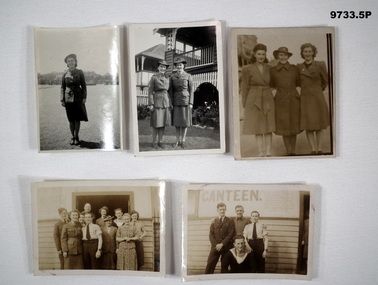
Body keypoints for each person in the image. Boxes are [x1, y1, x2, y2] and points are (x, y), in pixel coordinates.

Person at [241, 43, 275, 157]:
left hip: (267, 96)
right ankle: (261, 152)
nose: (261, 56)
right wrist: (245, 103)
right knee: (258, 126)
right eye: (259, 54)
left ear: (265, 55)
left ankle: (269, 152)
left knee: (268, 126)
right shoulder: (247, 68)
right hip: (253, 98)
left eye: (263, 54)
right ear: (254, 55)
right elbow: (244, 87)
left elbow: (275, 83)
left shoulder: (270, 68)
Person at [297, 43, 330, 154]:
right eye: (305, 51)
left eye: (309, 51)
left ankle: (319, 149)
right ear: (302, 53)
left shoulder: (320, 64)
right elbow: (298, 82)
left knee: (319, 125)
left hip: (317, 97)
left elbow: (325, 80)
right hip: (306, 99)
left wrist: (317, 90)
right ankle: (312, 149)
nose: (307, 54)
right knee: (309, 125)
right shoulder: (299, 67)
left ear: (313, 52)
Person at [270, 47, 301, 155]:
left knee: (293, 127)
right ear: (277, 57)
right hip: (280, 102)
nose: (283, 57)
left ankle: (294, 151)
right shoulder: (273, 70)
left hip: (293, 101)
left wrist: (297, 95)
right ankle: (289, 152)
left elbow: (299, 83)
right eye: (281, 55)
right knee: (284, 127)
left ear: (288, 57)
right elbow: (272, 86)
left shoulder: (294, 69)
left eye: (285, 55)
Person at [60, 53, 88, 146]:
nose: (70, 62)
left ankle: (77, 137)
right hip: (68, 99)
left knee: (77, 119)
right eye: (69, 61)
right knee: (71, 119)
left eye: (72, 61)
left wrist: (84, 97)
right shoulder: (64, 73)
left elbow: (84, 85)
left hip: (78, 98)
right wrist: (62, 99)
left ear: (75, 62)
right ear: (67, 63)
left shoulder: (80, 72)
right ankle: (73, 137)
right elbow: (62, 87)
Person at [169, 57, 194, 149]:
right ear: (175, 67)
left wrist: (191, 103)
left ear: (183, 66)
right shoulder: (172, 77)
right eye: (177, 65)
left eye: (181, 65)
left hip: (185, 101)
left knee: (184, 122)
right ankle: (177, 140)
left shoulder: (188, 76)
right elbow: (170, 91)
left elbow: (191, 90)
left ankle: (183, 141)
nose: (179, 66)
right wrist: (171, 102)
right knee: (177, 122)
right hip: (176, 101)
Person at [148, 60, 172, 149]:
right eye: (161, 66)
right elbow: (150, 91)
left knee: (163, 124)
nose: (163, 68)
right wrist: (151, 104)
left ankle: (160, 142)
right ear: (158, 67)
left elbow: (169, 92)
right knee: (156, 124)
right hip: (157, 102)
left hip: (166, 102)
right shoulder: (154, 77)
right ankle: (154, 142)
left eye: (164, 67)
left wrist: (171, 103)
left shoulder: (168, 78)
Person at [205, 202, 235, 274]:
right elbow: (211, 234)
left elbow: (230, 234)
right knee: (210, 265)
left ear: (226, 210)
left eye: (223, 209)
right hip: (215, 247)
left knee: (224, 266)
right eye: (220, 209)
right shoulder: (214, 221)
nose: (222, 211)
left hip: (226, 247)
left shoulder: (230, 220)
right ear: (217, 210)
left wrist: (222, 244)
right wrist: (216, 245)